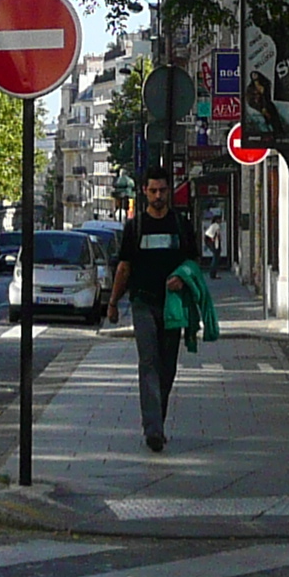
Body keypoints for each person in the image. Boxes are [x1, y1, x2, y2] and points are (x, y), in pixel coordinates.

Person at [101, 167, 201, 453]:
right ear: (144, 191)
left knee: (167, 367)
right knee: (148, 362)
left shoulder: (182, 225)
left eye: (163, 190)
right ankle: (153, 429)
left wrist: (182, 277)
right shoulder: (135, 227)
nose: (158, 196)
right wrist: (113, 303)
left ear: (169, 191)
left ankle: (158, 421)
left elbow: (194, 262)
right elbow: (124, 267)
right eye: (153, 190)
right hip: (143, 302)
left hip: (173, 306)